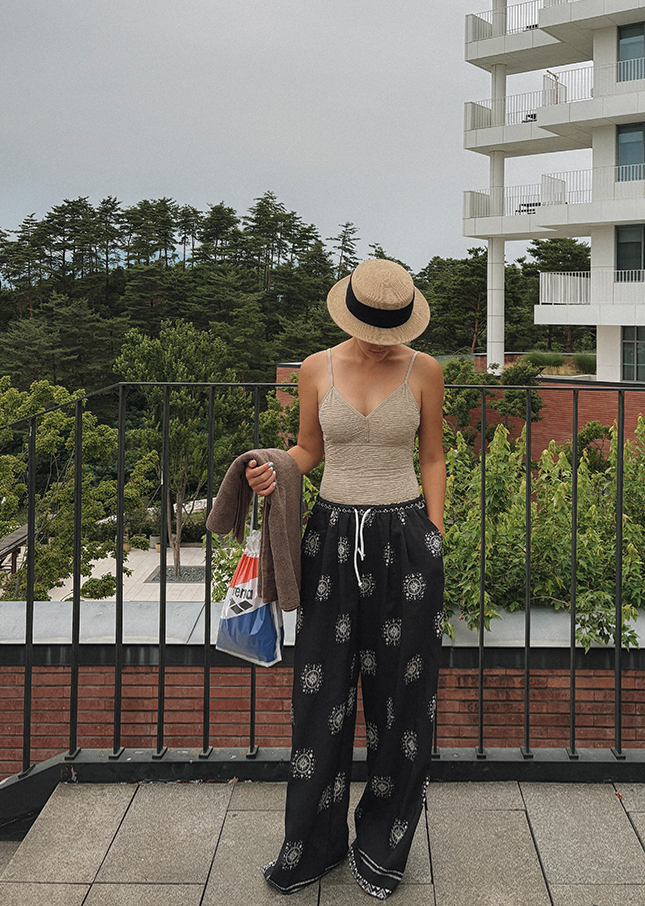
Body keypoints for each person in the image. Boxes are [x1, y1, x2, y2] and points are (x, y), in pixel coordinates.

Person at [247, 258, 445, 900]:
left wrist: (434, 535)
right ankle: (313, 845)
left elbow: (433, 457)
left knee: (402, 702)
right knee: (321, 697)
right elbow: (309, 450)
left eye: (390, 333)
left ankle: (384, 845)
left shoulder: (426, 370)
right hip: (329, 540)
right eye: (371, 330)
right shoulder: (316, 367)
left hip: (405, 542)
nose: (380, 343)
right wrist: (272, 469)